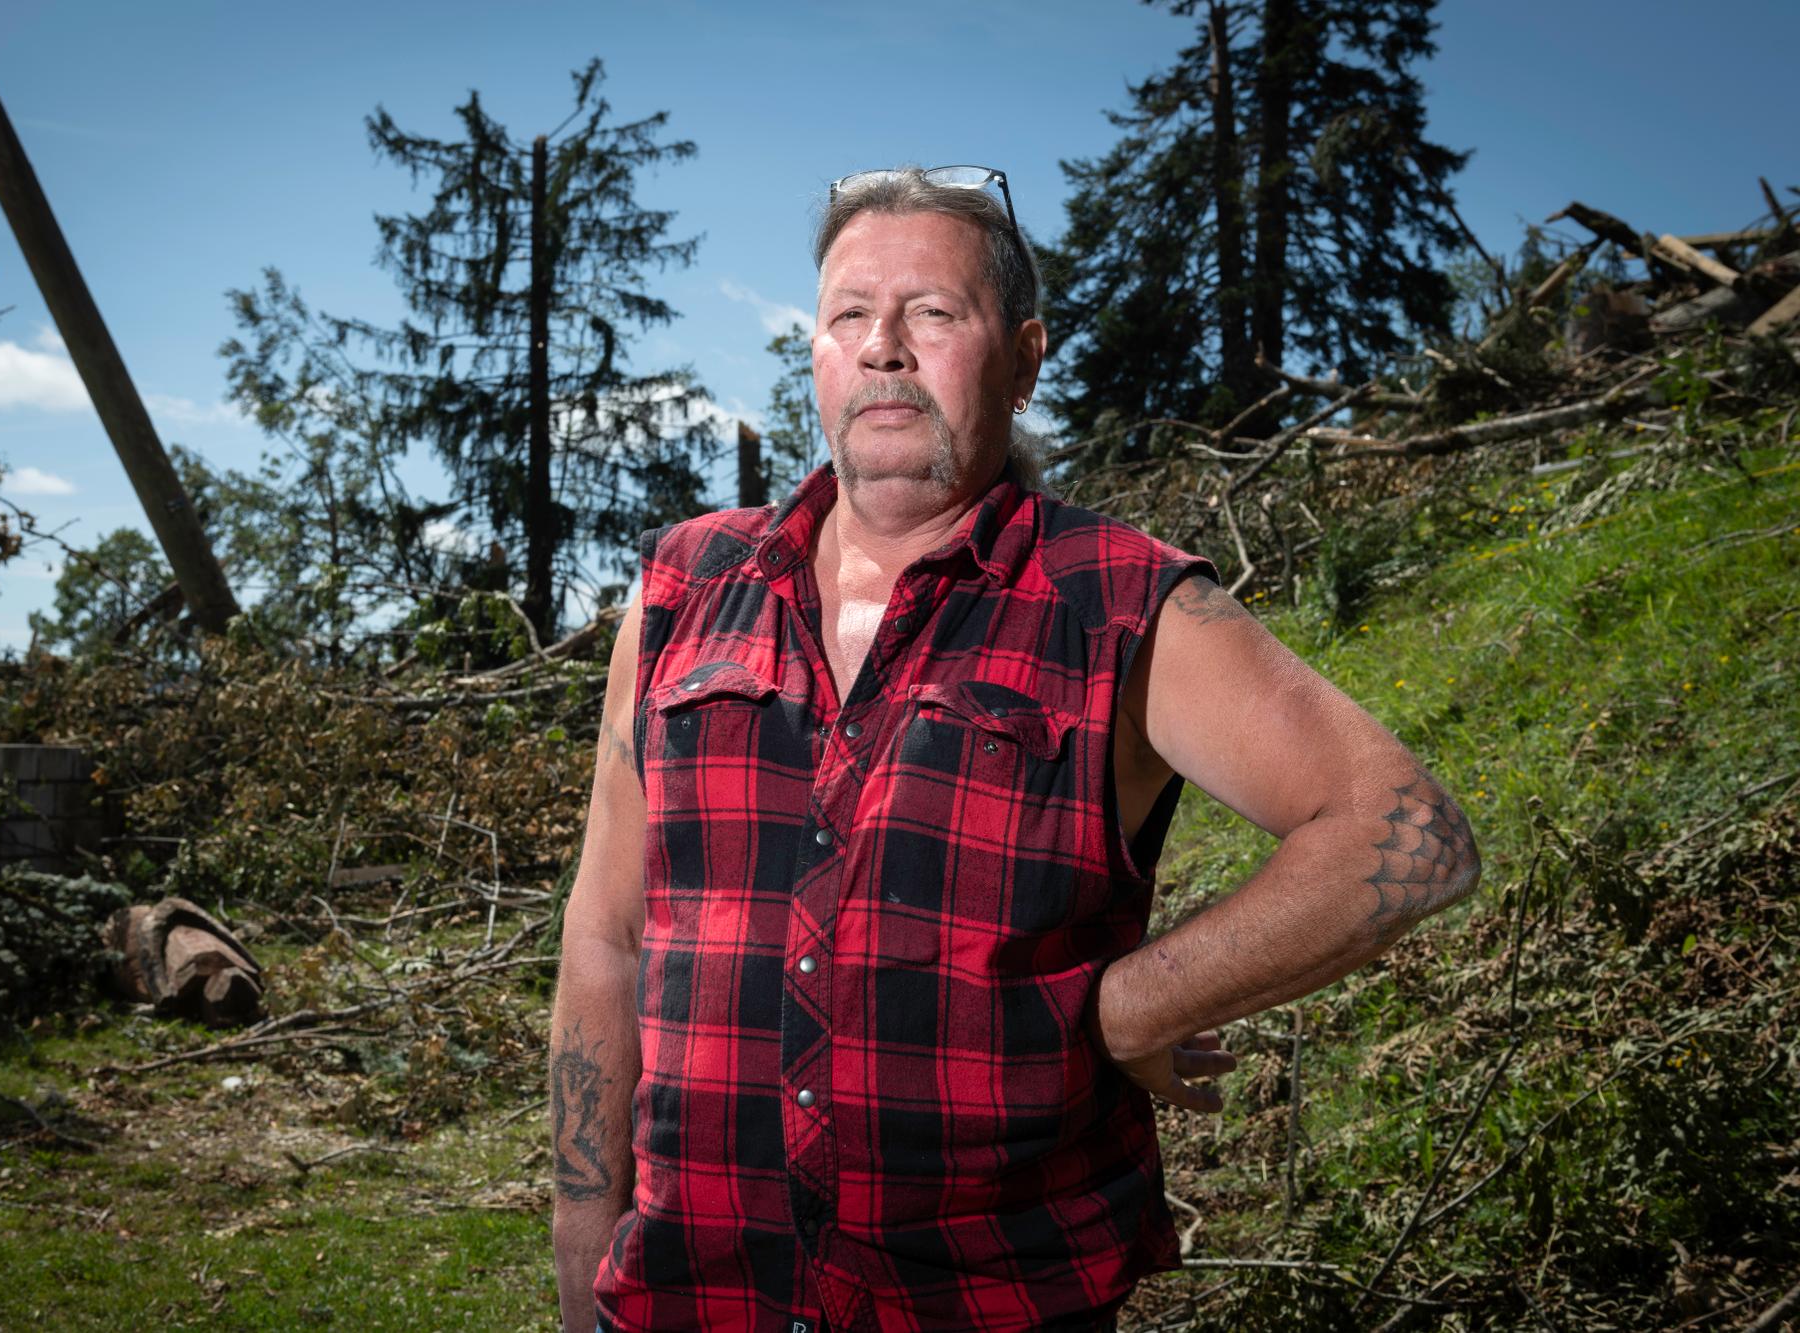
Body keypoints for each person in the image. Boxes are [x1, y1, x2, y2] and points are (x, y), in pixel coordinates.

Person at [549, 165, 1480, 1333]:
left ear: (1025, 354)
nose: (882, 347)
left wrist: (1134, 1003)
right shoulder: (684, 585)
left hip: (992, 1297)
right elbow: (607, 930)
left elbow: (1407, 831)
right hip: (692, 1294)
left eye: (932, 314)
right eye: (848, 316)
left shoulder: (1122, 600)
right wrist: (582, 1225)